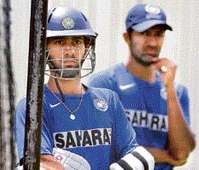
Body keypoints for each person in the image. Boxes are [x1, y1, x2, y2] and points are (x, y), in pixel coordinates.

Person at [14, 6, 155, 170]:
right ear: (44, 48)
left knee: (142, 159)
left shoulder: (109, 100)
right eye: (60, 42)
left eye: (76, 42)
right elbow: (42, 163)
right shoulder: (33, 106)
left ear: (86, 47)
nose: (69, 51)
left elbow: (132, 153)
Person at [88, 3, 196, 170]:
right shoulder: (104, 86)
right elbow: (104, 148)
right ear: (127, 37)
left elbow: (181, 154)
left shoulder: (176, 91)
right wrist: (164, 155)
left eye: (158, 34)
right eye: (145, 34)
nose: (152, 42)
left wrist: (170, 90)